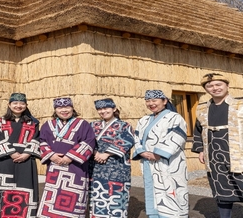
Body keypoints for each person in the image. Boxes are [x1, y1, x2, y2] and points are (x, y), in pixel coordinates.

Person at [192, 73, 243, 218]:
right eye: (210, 86)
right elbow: (198, 130)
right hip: (214, 155)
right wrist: (201, 149)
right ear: (206, 89)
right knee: (221, 189)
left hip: (238, 154)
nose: (215, 88)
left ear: (227, 85)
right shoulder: (202, 108)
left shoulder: (241, 104)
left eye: (218, 85)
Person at [133, 90, 188, 218]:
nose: (151, 103)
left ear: (164, 101)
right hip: (148, 161)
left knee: (171, 188)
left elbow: (177, 136)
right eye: (148, 101)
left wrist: (158, 154)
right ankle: (155, 214)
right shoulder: (144, 120)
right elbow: (137, 137)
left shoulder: (175, 118)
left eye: (154, 100)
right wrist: (142, 152)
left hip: (168, 162)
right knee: (153, 189)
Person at [37, 97, 96, 218]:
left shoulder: (83, 124)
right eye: (60, 107)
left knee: (74, 198)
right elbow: (41, 141)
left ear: (72, 108)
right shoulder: (47, 125)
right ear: (55, 109)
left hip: (76, 168)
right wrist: (51, 155)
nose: (64, 110)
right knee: (53, 198)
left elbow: (89, 142)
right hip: (55, 168)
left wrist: (70, 157)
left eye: (67, 107)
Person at [0, 93, 40, 218]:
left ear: (26, 105)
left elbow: (37, 139)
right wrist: (12, 152)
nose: (18, 106)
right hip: (5, 160)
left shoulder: (33, 122)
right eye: (15, 103)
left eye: (22, 103)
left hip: (27, 160)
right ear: (9, 105)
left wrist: (27, 153)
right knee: (3, 191)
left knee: (25, 188)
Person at [89, 98, 135, 217]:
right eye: (99, 109)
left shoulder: (124, 126)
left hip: (117, 168)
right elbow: (86, 141)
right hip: (95, 167)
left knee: (116, 198)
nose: (103, 111)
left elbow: (127, 140)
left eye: (106, 108)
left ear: (114, 109)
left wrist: (106, 154)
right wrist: (95, 153)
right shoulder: (93, 125)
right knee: (97, 197)